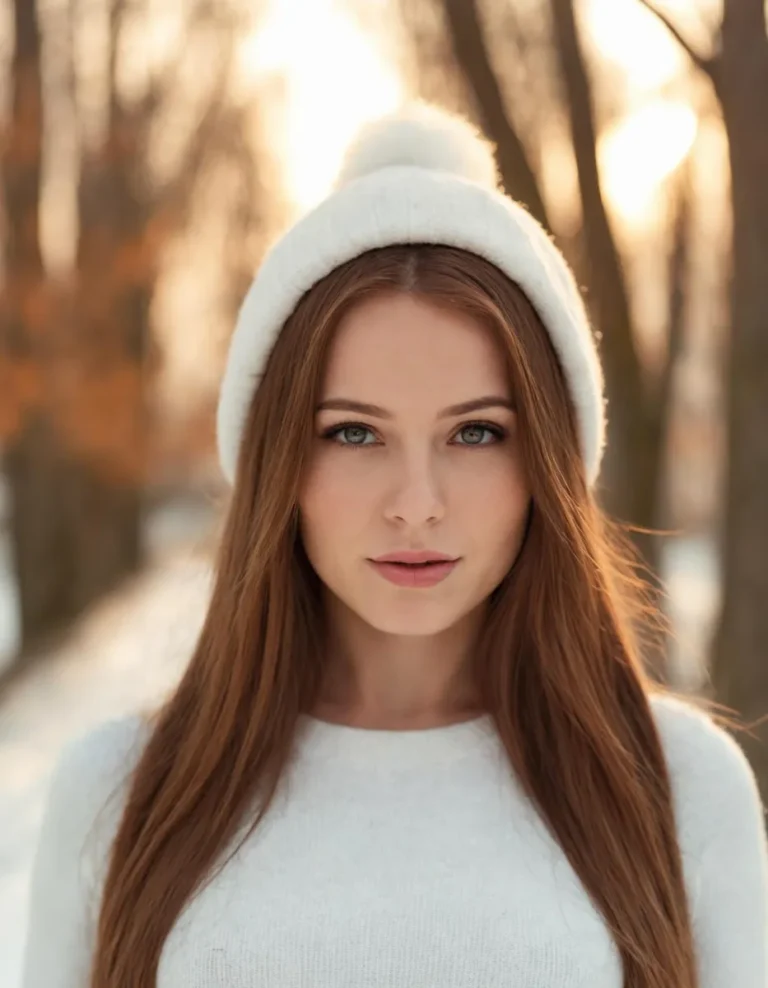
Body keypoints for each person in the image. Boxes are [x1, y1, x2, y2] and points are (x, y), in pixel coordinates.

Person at [20, 102, 768, 988]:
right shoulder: (119, 792)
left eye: (477, 434)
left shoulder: (679, 788)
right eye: (354, 434)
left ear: (549, 466)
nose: (417, 506)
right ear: (277, 465)